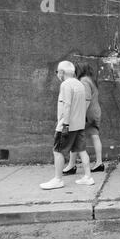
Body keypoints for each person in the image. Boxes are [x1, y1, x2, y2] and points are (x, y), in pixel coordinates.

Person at [40, 61, 95, 190]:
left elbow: (67, 105)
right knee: (81, 150)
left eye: (57, 71)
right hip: (79, 125)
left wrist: (64, 124)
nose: (57, 74)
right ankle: (88, 177)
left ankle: (58, 180)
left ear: (62, 72)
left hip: (67, 125)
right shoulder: (80, 85)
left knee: (58, 151)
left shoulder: (65, 85)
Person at [63, 62, 104, 175]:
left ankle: (71, 165)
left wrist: (79, 114)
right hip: (95, 112)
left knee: (74, 136)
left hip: (87, 113)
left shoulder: (84, 81)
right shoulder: (91, 80)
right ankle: (99, 163)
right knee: (95, 136)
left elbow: (86, 99)